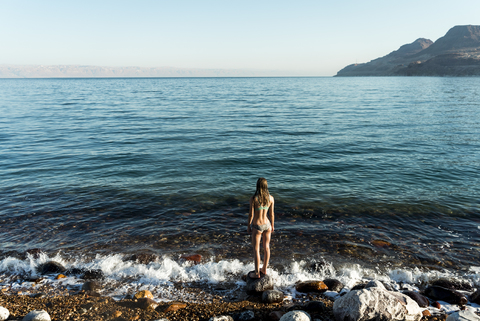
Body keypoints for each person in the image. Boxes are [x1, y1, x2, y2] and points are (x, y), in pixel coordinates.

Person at [247, 177, 275, 278]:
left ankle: (257, 273)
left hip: (257, 226)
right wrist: (272, 225)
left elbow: (251, 214)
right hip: (267, 225)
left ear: (258, 186)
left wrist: (248, 226)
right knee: (267, 247)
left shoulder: (254, 198)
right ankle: (264, 269)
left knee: (256, 250)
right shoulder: (271, 198)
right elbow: (271, 214)